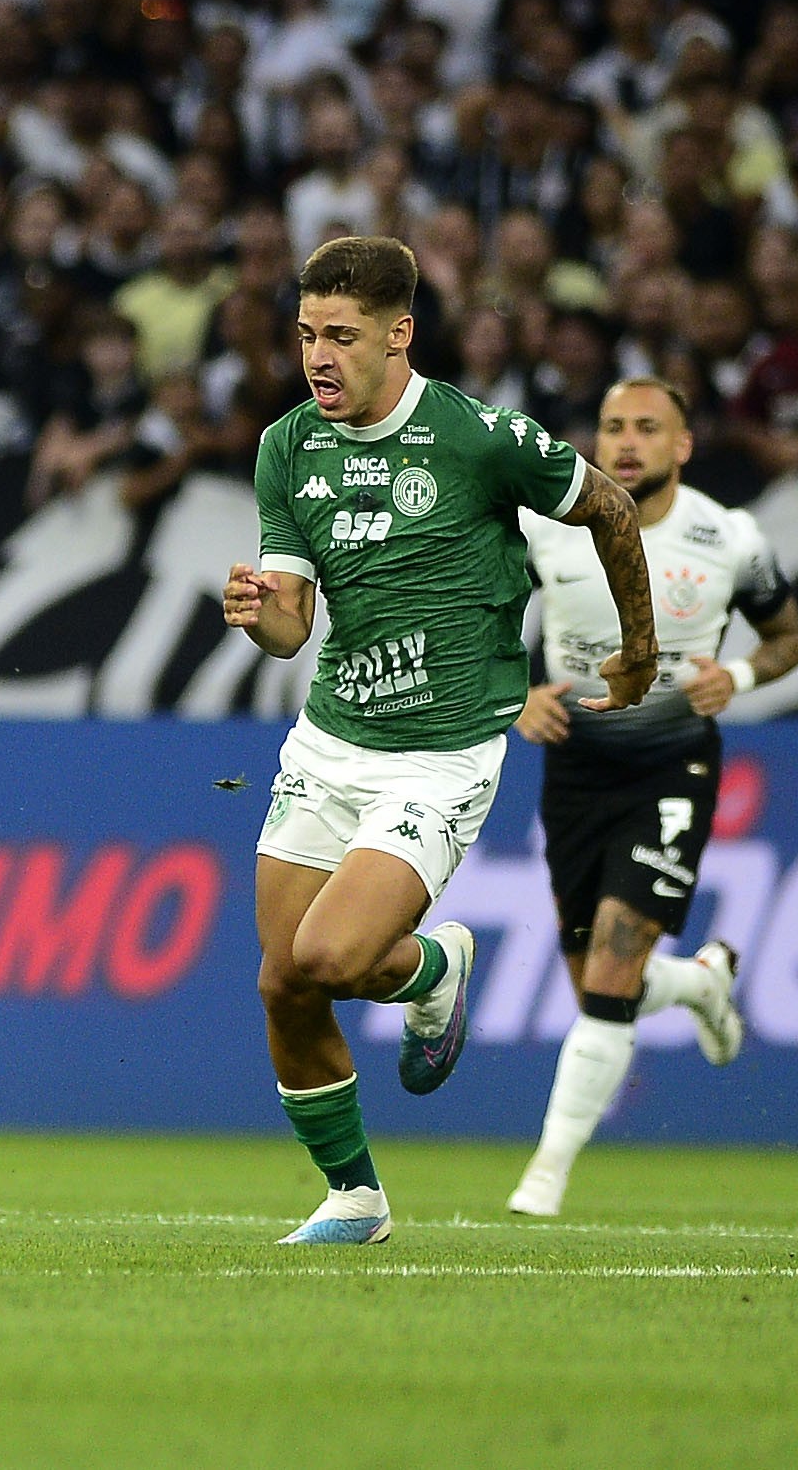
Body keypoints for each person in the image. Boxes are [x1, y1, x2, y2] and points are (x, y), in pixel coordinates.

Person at [223, 236, 658, 1245]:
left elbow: (610, 505)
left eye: (339, 336)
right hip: (330, 740)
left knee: (330, 953)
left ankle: (423, 968)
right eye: (303, 336)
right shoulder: (286, 445)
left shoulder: (475, 437)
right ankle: (354, 1196)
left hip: (440, 752)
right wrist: (257, 613)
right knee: (281, 978)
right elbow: (291, 625)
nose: (317, 357)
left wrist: (637, 648)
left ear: (396, 333)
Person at [507, 378, 798, 1217]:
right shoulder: (546, 527)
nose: (627, 441)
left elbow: (789, 635)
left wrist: (740, 673)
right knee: (599, 986)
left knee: (611, 965)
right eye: (612, 427)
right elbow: (487, 615)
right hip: (574, 766)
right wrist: (519, 691)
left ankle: (547, 1174)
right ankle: (702, 983)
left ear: (684, 444)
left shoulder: (730, 537)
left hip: (673, 765)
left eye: (648, 427)